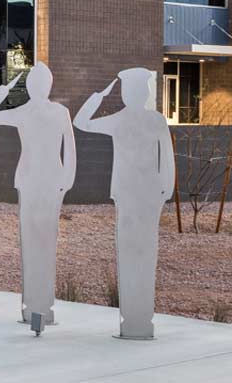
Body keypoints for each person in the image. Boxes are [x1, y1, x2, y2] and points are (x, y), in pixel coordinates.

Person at [74, 67, 175, 339]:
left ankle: (143, 318)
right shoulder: (117, 120)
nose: (134, 94)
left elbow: (166, 156)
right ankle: (131, 318)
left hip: (150, 192)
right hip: (127, 193)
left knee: (147, 249)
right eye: (128, 90)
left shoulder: (156, 120)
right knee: (128, 249)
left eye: (138, 90)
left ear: (144, 93)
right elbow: (81, 122)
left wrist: (167, 188)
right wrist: (99, 96)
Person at [0, 62, 76, 326]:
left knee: (46, 240)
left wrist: (66, 181)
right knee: (31, 240)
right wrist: (4, 88)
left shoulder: (60, 112)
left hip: (50, 180)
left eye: (41, 83)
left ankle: (43, 305)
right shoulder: (23, 112)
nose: (39, 88)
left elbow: (69, 147)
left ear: (47, 86)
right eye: (35, 83)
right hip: (30, 180)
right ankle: (33, 305)